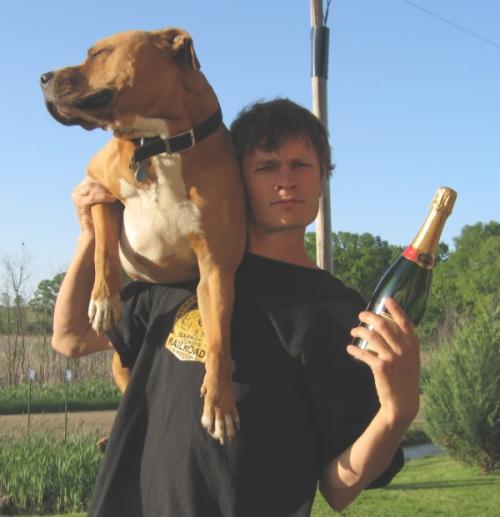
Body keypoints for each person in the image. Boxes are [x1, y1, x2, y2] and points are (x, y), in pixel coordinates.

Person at [52, 98, 420, 516]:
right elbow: (70, 337)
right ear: (236, 178)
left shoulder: (337, 312)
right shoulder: (185, 275)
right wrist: (89, 234)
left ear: (322, 180)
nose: (286, 181)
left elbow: (338, 489)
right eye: (266, 167)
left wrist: (397, 410)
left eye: (301, 165)